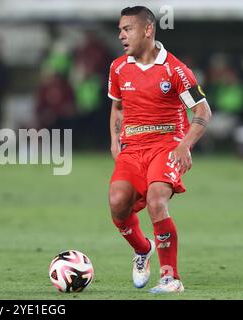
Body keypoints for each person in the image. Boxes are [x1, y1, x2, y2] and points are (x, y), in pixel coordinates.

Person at [107, 6, 212, 293]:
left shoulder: (175, 69)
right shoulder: (118, 67)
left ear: (147, 30)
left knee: (156, 200)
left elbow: (203, 110)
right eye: (120, 29)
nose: (121, 35)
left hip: (166, 145)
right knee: (117, 202)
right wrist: (116, 141)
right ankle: (143, 250)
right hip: (133, 147)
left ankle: (171, 277)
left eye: (126, 29)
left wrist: (183, 146)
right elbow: (117, 106)